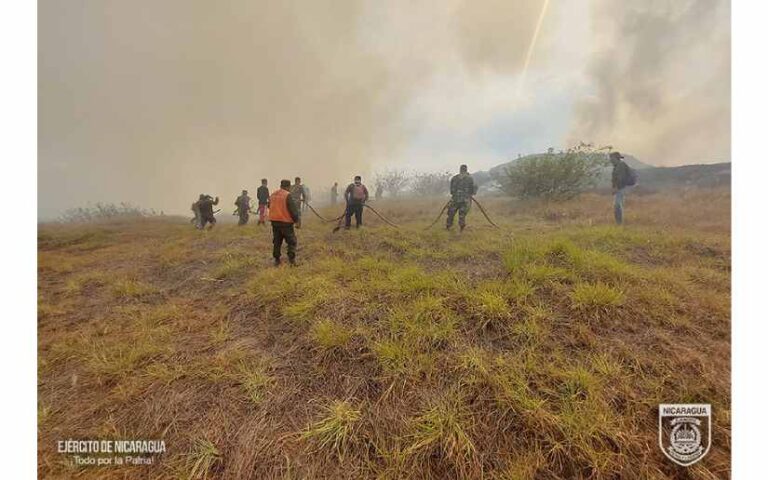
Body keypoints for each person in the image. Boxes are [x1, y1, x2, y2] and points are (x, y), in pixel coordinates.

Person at [269, 179, 301, 266]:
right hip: (286, 222)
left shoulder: (273, 194)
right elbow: (293, 210)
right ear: (288, 186)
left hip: (275, 222)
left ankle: (277, 260)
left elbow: (269, 206)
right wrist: (297, 221)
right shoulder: (287, 195)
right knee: (291, 241)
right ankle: (292, 261)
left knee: (277, 241)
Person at [446, 164, 477, 231]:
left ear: (460, 169)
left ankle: (448, 226)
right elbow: (473, 191)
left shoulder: (454, 178)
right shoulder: (470, 178)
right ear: (466, 169)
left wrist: (456, 194)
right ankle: (461, 229)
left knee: (451, 213)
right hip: (465, 200)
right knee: (462, 215)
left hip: (454, 199)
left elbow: (451, 191)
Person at [610, 151, 634, 225]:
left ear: (615, 158)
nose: (610, 160)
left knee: (617, 205)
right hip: (621, 187)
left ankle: (619, 223)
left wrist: (616, 188)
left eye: (611, 158)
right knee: (618, 205)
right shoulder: (617, 166)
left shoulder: (620, 166)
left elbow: (621, 179)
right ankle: (619, 223)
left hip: (622, 187)